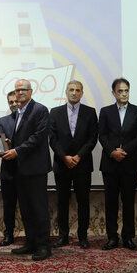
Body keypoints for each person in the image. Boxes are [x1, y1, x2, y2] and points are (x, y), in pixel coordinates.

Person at [1, 79, 52, 261]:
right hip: (21, 169)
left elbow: (38, 137)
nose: (20, 93)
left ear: (31, 91)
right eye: (17, 90)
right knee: (26, 209)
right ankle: (31, 242)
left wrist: (16, 151)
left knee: (39, 209)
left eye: (23, 89)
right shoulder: (20, 111)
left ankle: (44, 246)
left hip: (35, 169)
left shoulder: (40, 110)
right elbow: (22, 137)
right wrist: (11, 143)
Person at [97, 77, 137, 251]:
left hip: (130, 163)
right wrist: (112, 152)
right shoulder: (105, 111)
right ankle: (112, 238)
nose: (124, 94)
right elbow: (102, 135)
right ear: (113, 93)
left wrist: (124, 151)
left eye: (126, 90)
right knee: (110, 202)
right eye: (120, 91)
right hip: (110, 163)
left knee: (128, 202)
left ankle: (128, 237)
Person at [48, 80, 98, 249]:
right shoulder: (55, 112)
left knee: (83, 202)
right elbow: (52, 139)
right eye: (71, 90)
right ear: (66, 92)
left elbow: (93, 138)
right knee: (62, 202)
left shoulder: (90, 112)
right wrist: (64, 157)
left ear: (82, 93)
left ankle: (83, 236)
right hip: (62, 164)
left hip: (82, 164)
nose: (74, 93)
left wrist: (78, 156)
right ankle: (63, 236)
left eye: (77, 90)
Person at [0, 90, 20, 246]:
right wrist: (6, 145)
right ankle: (8, 235)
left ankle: (31, 235)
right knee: (9, 205)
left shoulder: (31, 119)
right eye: (11, 102)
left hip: (27, 169)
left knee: (29, 206)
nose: (14, 104)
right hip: (8, 170)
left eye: (16, 101)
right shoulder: (2, 121)